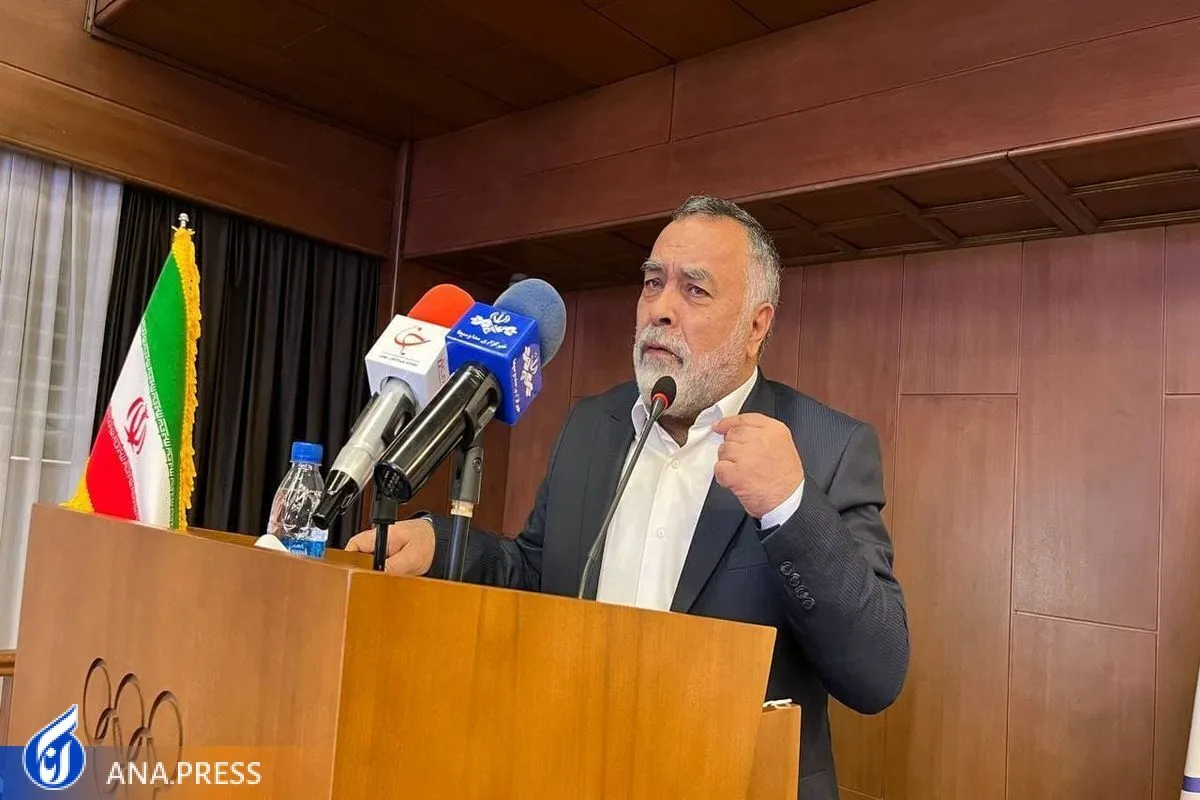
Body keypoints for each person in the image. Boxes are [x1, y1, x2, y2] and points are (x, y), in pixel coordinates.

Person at [347, 195, 909, 800]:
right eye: (652, 282)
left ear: (756, 326)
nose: (660, 309)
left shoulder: (828, 447)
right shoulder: (592, 425)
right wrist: (442, 545)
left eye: (694, 290)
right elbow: (537, 572)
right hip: (576, 772)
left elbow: (876, 675)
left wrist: (790, 507)